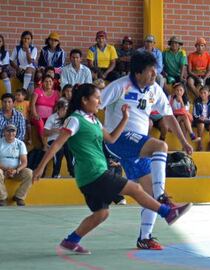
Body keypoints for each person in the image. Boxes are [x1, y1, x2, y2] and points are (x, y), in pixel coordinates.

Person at [32, 83, 192, 255]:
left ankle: (71, 240)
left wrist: (125, 118)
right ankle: (167, 212)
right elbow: (57, 144)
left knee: (102, 214)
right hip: (93, 172)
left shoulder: (93, 120)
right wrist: (40, 168)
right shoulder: (75, 119)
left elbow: (111, 139)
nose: (99, 102)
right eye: (96, 98)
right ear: (85, 100)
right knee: (136, 188)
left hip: (89, 177)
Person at [100, 51, 194, 250]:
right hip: (119, 139)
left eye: (155, 71)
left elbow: (168, 116)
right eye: (151, 71)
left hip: (137, 146)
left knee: (148, 194)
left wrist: (184, 141)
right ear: (138, 72)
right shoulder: (119, 86)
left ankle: (145, 237)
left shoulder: (155, 89)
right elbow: (94, 106)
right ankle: (163, 197)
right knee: (160, 146)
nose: (154, 74)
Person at [0, 124, 32, 206]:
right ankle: (2, 198)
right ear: (4, 132)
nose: (10, 133)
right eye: (8, 131)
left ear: (16, 132)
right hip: (2, 170)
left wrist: (16, 170)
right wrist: (6, 169)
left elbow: (24, 162)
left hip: (16, 171)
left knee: (29, 173)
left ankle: (19, 197)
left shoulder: (20, 144)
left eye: (13, 131)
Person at [44, 100, 74, 178]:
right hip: (53, 140)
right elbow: (45, 133)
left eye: (66, 109)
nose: (65, 111)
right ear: (58, 109)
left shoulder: (70, 118)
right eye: (63, 109)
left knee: (70, 148)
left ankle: (72, 172)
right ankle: (56, 174)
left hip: (65, 140)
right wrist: (54, 130)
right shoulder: (52, 117)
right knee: (59, 150)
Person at [30, 75, 60, 151]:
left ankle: (52, 144)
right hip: (37, 117)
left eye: (50, 81)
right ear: (42, 83)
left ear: (53, 83)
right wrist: (35, 114)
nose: (48, 83)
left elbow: (58, 106)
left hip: (49, 118)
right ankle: (45, 145)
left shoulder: (56, 93)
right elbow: (32, 104)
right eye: (46, 81)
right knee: (40, 124)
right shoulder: (37, 90)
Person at [193, 86, 210, 151]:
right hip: (199, 120)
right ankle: (199, 143)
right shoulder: (197, 101)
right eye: (201, 93)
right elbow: (195, 113)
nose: (203, 94)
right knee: (201, 125)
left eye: (205, 93)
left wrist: (206, 119)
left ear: (209, 93)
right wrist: (200, 117)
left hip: (209, 120)